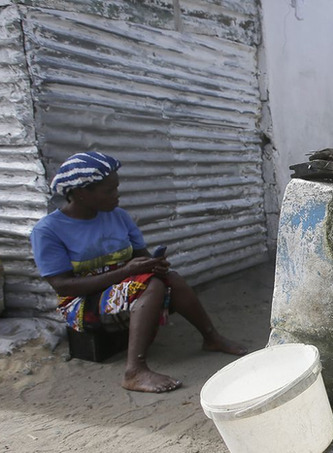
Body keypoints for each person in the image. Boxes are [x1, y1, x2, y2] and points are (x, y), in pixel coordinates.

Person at [29, 152, 248, 393]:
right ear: (82, 193)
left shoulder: (118, 217)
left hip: (123, 286)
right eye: (108, 191)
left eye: (116, 188)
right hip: (82, 302)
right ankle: (134, 371)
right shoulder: (48, 230)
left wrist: (154, 264)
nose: (117, 195)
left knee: (170, 278)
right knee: (151, 285)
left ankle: (211, 337)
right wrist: (127, 271)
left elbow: (140, 257)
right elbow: (63, 286)